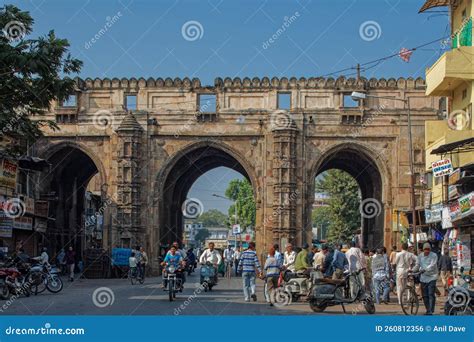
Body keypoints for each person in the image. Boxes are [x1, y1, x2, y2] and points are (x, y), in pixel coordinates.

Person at [417, 242, 438, 315]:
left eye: (428, 249)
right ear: (423, 250)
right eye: (425, 249)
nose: (427, 251)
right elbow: (417, 265)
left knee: (431, 294)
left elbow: (433, 265)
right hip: (423, 278)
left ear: (430, 249)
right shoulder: (420, 256)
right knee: (424, 295)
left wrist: (425, 269)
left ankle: (431, 311)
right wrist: (412, 270)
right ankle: (428, 309)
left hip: (432, 277)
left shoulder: (434, 255)